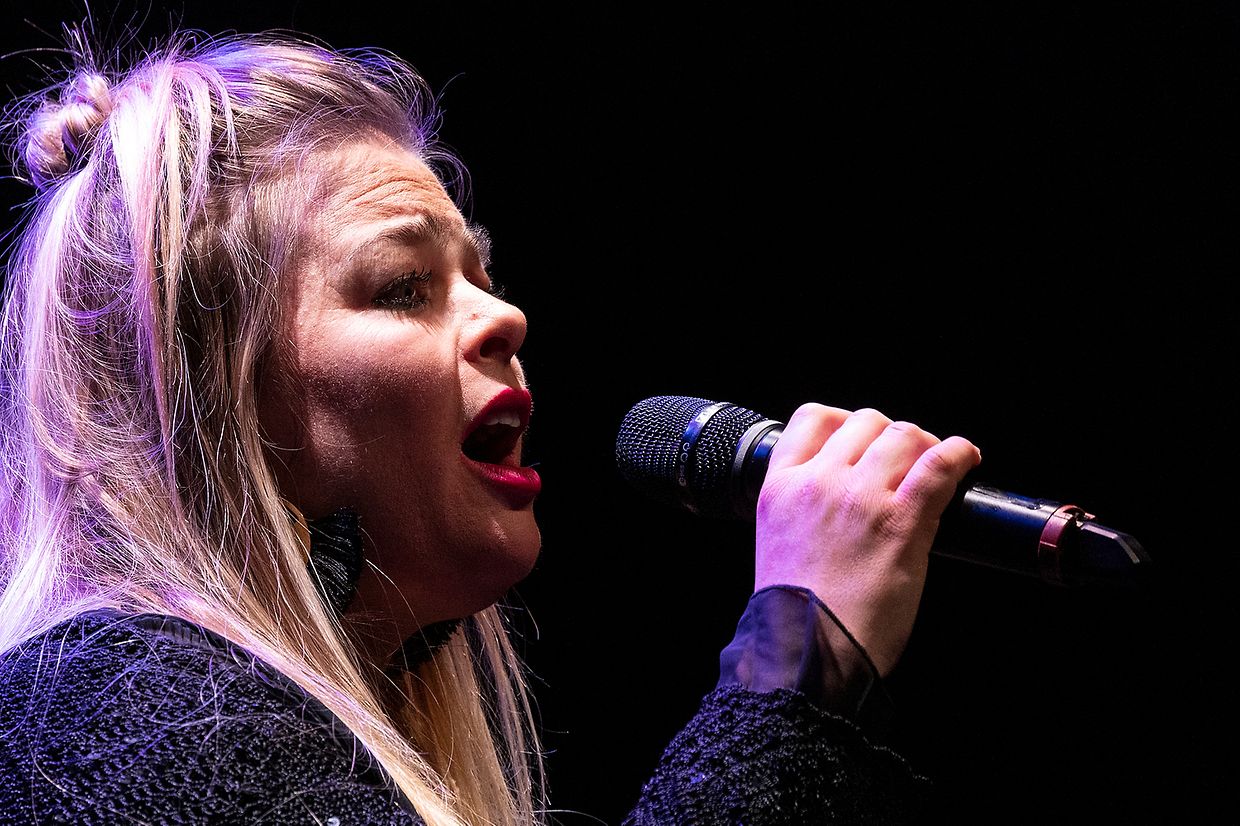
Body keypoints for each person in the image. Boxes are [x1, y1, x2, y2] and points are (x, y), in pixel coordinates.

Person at [0, 28, 980, 825]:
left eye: (480, 275)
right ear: (218, 399)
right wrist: (794, 661)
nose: (503, 318)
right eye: (402, 287)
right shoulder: (112, 717)